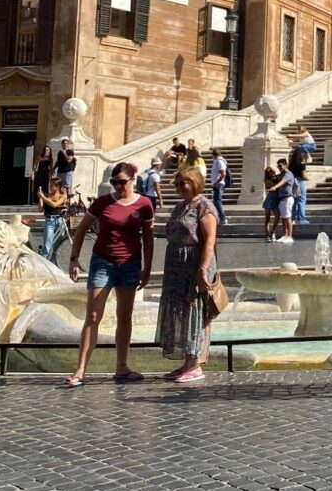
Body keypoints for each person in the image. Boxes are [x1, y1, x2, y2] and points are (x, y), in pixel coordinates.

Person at [65, 162, 154, 387]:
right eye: (114, 183)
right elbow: (82, 228)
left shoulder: (144, 204)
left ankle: (122, 367)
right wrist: (74, 259)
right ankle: (80, 370)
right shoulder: (103, 202)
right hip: (102, 262)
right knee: (93, 316)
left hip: (130, 263)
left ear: (133, 180)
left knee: (125, 316)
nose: (118, 186)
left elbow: (148, 238)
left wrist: (147, 268)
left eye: (122, 182)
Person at [156, 165, 218, 384]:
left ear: (196, 183)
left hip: (194, 265)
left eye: (185, 182)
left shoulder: (204, 206)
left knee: (197, 312)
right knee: (181, 311)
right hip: (177, 267)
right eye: (178, 183)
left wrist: (202, 270)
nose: (181, 187)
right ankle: (187, 361)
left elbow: (210, 240)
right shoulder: (180, 207)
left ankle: (197, 364)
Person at [35, 177, 71, 261]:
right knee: (47, 244)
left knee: (58, 244)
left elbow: (54, 205)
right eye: (50, 185)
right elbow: (40, 209)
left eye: (52, 185)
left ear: (58, 186)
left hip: (60, 220)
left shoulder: (63, 196)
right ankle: (44, 262)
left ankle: (53, 262)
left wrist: (43, 197)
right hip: (50, 221)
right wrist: (40, 197)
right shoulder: (47, 196)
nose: (50, 187)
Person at [263, 158, 295, 242]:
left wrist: (275, 187)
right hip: (282, 198)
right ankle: (285, 235)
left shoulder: (288, 174)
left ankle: (290, 236)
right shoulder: (281, 174)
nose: (279, 167)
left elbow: (282, 182)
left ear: (285, 165)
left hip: (287, 197)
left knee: (287, 217)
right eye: (278, 166)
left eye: (280, 166)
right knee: (284, 218)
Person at [287, 147, 309, 227]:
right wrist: (307, 177)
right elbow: (304, 175)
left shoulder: (290, 164)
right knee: (301, 200)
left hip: (292, 182)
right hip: (300, 181)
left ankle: (293, 219)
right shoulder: (302, 164)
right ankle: (301, 218)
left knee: (294, 201)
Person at [209, 149, 230, 226]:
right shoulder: (217, 161)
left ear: (213, 155)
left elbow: (223, 174)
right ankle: (218, 218)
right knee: (216, 201)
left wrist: (216, 183)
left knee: (217, 201)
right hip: (217, 184)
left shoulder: (220, 161)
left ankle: (223, 219)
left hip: (219, 184)